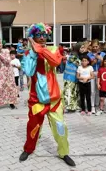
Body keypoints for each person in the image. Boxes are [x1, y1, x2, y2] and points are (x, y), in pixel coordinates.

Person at [19, 23, 75, 166]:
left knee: (61, 127)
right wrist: (33, 52)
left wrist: (39, 50)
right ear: (33, 37)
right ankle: (29, 149)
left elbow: (55, 62)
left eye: (44, 35)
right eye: (38, 35)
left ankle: (64, 153)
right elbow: (29, 72)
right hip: (36, 100)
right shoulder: (27, 54)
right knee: (32, 127)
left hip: (54, 100)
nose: (43, 37)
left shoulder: (53, 49)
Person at [0, 39, 18, 111]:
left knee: (10, 87)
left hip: (9, 73)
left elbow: (7, 61)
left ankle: (11, 103)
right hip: (0, 74)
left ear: (2, 44)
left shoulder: (6, 51)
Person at [88, 39, 105, 114]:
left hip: (100, 73)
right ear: (91, 47)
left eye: (96, 46)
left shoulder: (103, 54)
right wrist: (93, 62)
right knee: (92, 90)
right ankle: (92, 106)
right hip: (91, 73)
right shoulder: (88, 55)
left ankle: (98, 105)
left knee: (99, 90)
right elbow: (87, 66)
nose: (95, 48)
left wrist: (101, 60)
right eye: (93, 46)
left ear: (99, 46)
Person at [62, 43, 81, 112]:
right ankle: (69, 107)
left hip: (70, 77)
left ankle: (71, 106)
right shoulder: (75, 57)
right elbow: (78, 63)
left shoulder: (70, 56)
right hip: (71, 77)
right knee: (70, 92)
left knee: (70, 92)